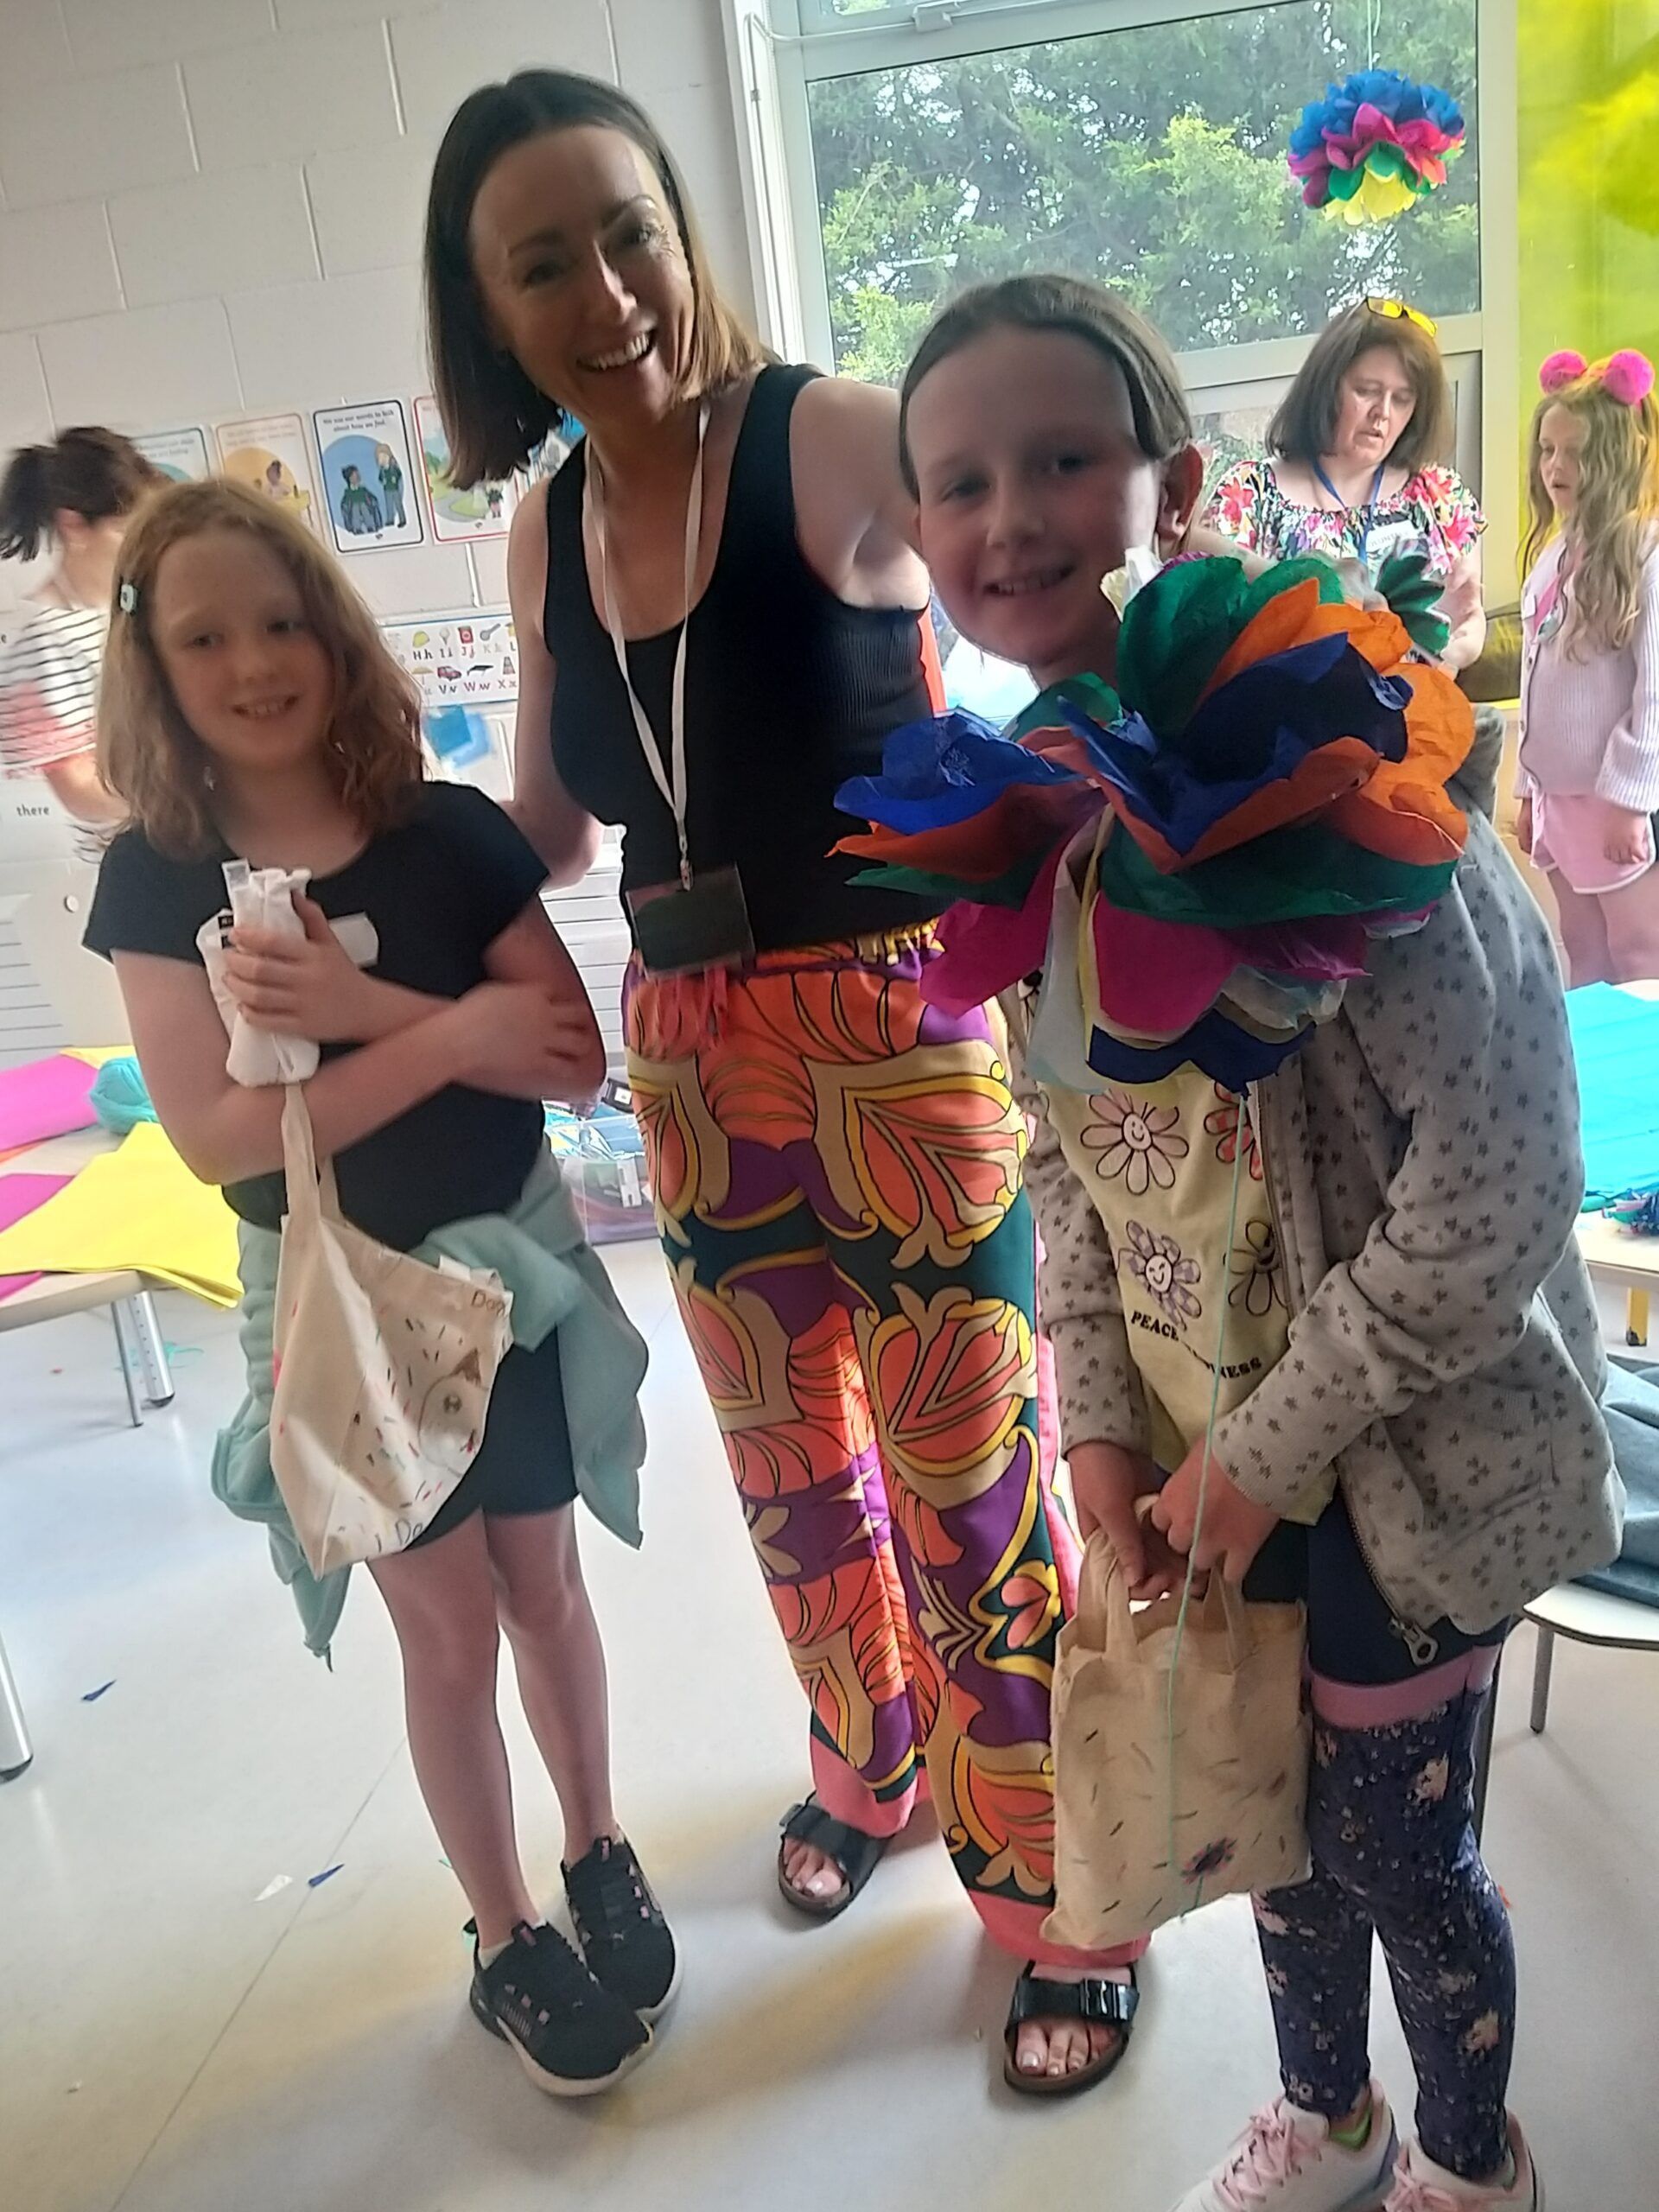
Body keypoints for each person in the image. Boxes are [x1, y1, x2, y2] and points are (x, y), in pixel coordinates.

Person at [422, 66, 1139, 2092]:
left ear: (685, 237)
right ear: (491, 312)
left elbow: (1026, 557)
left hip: (895, 1026)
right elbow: (554, 822)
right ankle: (873, 1759)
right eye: (543, 263)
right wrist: (362, 873)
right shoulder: (544, 524)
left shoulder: (823, 434)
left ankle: (1058, 1885)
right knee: (790, 1472)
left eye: (629, 233)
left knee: (971, 1479)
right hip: (685, 1046)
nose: (605, 290)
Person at [897, 272, 1618, 2209]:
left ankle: (1467, 2164)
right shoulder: (1031, 828)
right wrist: (1097, 1425)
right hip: (1208, 1447)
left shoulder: (1346, 775)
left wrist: (1261, 1452)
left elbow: (1497, 1186)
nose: (1010, 516)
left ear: (1179, 486)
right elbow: (1070, 1164)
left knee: (1401, 1858)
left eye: (1063, 457)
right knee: (1271, 1832)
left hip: (1403, 1465)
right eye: (958, 481)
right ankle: (1327, 2117)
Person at [82, 478, 677, 2101]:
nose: (253, 664)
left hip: (515, 1277)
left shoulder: (449, 833)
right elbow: (219, 1137)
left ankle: (596, 1843)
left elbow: (567, 1052)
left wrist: (367, 1012)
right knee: (446, 1625)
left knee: (546, 1585)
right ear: (153, 664)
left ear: (334, 634)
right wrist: (454, 1032)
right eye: (205, 637)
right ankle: (505, 1930)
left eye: (280, 622)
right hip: (341, 1304)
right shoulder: (160, 879)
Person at [1204, 298, 1501, 816]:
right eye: (1366, 390)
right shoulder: (1251, 491)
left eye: (1402, 398)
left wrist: (1454, 652)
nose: (1383, 414)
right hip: (1296, 757)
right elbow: (1207, 582)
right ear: (1326, 387)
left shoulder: (1440, 496)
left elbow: (1469, 616)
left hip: (1419, 744)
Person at [1517, 347, 1659, 982]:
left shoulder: (1646, 554)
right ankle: (1591, 1049)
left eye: (1575, 453)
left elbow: (1654, 694)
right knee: (1582, 944)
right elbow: (1534, 678)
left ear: (1616, 458)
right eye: (1548, 450)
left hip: (1619, 799)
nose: (1555, 467)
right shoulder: (1555, 554)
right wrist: (1528, 791)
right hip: (1561, 799)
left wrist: (1631, 802)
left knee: (1640, 950)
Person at [0, 427, 162, 825]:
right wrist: (189, 794)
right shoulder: (44, 643)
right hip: (131, 842)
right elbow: (82, 792)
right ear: (73, 525)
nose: (143, 546)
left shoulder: (123, 607)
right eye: (126, 530)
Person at [376, 440, 409, 528]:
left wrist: (395, 478)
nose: (383, 459)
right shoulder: (383, 470)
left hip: (394, 488)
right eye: (380, 457)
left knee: (398, 505)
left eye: (384, 456)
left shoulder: (393, 468)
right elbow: (380, 479)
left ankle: (402, 520)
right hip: (387, 489)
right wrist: (383, 481)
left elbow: (399, 474)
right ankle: (390, 520)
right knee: (389, 505)